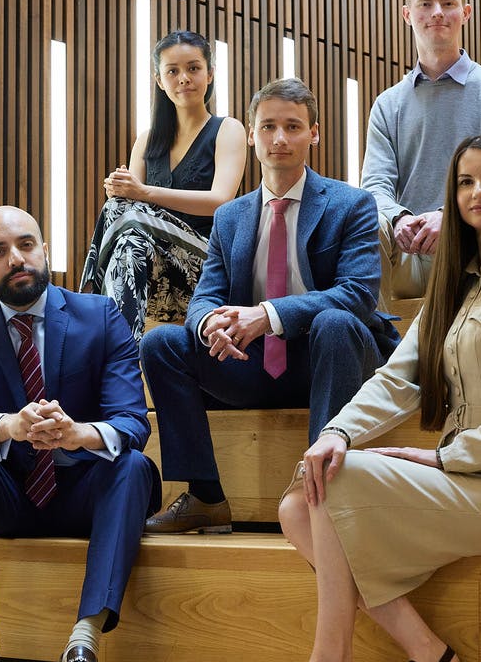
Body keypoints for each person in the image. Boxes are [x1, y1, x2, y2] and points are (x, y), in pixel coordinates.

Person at [243, 134, 481, 662]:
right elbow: (397, 380)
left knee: (337, 483)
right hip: (468, 484)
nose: (479, 191)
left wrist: (445, 458)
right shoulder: (454, 286)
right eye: (466, 181)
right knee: (299, 504)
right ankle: (429, 654)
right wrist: (336, 434)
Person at [140, 78, 399, 534]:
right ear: (252, 133)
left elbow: (357, 294)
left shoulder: (351, 204)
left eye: (293, 127)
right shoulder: (230, 216)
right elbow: (205, 296)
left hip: (332, 361)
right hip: (253, 364)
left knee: (337, 322)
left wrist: (268, 315)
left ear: (314, 134)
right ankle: (205, 497)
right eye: (269, 126)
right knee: (162, 342)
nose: (280, 138)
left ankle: (321, 485)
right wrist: (209, 326)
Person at [0, 206, 160, 662]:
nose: (17, 258)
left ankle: (84, 642)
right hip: (9, 495)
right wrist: (10, 425)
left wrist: (78, 434)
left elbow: (132, 422)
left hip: (82, 493)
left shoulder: (100, 315)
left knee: (134, 466)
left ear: (46, 250)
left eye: (26, 245)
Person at [362, 0, 481, 310]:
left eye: (448, 4)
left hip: (472, 244)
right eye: (425, 4)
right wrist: (401, 219)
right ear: (407, 14)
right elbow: (374, 186)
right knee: (365, 219)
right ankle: (376, 344)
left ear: (465, 13)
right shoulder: (387, 105)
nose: (437, 13)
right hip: (406, 252)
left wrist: (448, 215)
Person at [80, 30, 248, 340]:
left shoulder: (228, 129)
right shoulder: (146, 140)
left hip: (204, 262)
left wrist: (141, 192)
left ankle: (87, 299)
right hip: (150, 256)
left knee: (122, 209)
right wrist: (121, 189)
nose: (184, 78)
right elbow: (131, 212)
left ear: (210, 74)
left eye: (193, 68)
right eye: (173, 71)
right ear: (160, 81)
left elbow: (221, 200)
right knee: (128, 241)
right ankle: (124, 353)